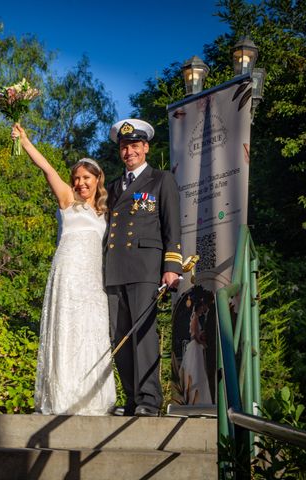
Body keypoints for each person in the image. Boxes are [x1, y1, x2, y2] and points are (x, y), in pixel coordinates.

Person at [11, 123, 116, 415]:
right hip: (68, 272)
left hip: (93, 280)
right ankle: (63, 397)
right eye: (77, 178)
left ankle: (92, 397)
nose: (81, 183)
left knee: (91, 331)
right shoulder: (68, 200)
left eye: (86, 178)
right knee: (66, 329)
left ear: (97, 179)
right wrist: (26, 141)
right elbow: (46, 169)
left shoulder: (105, 211)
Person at [105, 118, 183, 417]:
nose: (129, 152)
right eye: (125, 147)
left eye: (135, 146)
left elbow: (171, 225)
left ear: (146, 147)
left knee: (144, 337)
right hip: (114, 272)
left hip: (145, 269)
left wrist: (172, 264)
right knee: (120, 339)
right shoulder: (112, 187)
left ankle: (149, 400)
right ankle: (132, 399)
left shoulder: (160, 180)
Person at [180, 296, 212, 405]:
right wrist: (202, 343)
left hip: (196, 346)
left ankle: (199, 398)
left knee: (199, 371)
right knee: (196, 370)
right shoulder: (195, 318)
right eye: (202, 307)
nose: (203, 309)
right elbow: (194, 335)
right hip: (195, 346)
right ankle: (196, 398)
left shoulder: (196, 317)